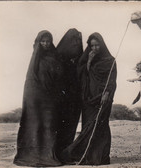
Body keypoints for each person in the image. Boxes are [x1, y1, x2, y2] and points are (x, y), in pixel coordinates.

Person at [59, 32, 117, 165]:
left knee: (100, 126)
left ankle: (101, 157)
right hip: (88, 99)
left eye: (97, 45)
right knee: (88, 126)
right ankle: (87, 155)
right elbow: (80, 76)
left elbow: (112, 80)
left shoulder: (110, 60)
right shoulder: (85, 60)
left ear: (102, 45)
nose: (95, 48)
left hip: (103, 98)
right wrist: (89, 62)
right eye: (92, 46)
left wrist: (107, 93)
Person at [13, 30, 63, 167]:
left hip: (50, 98)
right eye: (43, 41)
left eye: (48, 41)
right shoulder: (35, 58)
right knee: (34, 125)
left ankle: (48, 156)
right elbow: (31, 81)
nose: (46, 44)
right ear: (38, 42)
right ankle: (31, 155)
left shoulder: (55, 57)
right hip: (35, 99)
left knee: (49, 126)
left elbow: (59, 78)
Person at [55, 28, 83, 156]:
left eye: (78, 40)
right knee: (60, 125)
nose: (76, 43)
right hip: (61, 98)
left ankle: (66, 152)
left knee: (71, 125)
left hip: (75, 98)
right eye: (73, 40)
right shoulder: (58, 58)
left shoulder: (80, 59)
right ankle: (57, 152)